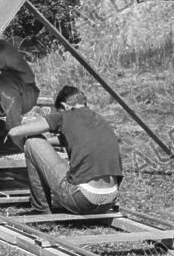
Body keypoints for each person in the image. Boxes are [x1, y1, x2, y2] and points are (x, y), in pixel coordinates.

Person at [8, 85, 122, 215]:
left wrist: (25, 146)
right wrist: (46, 143)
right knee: (38, 146)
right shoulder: (100, 120)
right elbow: (69, 138)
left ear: (65, 106)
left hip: (82, 200)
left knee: (31, 142)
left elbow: (14, 132)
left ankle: (41, 209)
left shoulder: (64, 116)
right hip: (109, 201)